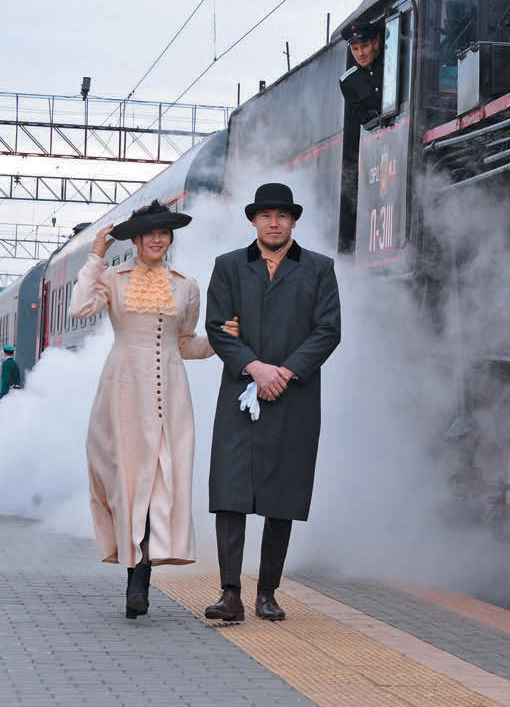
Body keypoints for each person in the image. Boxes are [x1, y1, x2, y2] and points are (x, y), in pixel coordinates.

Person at [69, 200, 240, 619]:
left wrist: (223, 339)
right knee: (128, 481)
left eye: (164, 233)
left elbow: (186, 344)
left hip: (170, 395)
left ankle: (140, 577)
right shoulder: (112, 279)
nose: (158, 240)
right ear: (137, 239)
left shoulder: (186, 286)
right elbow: (78, 308)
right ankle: (134, 570)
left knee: (160, 483)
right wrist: (95, 256)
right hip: (123, 390)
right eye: (150, 233)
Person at [203, 182, 342, 622]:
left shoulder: (319, 268)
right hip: (240, 393)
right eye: (266, 216)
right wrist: (255, 368)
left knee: (282, 494)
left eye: (282, 216)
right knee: (231, 492)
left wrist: (285, 372)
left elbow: (328, 330)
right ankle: (230, 593)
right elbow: (216, 328)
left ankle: (267, 593)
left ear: (293, 221)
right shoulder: (228, 266)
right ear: (254, 221)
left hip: (293, 395)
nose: (274, 223)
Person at [338, 20, 384, 124]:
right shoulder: (348, 82)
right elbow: (363, 118)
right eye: (355, 49)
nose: (360, 53)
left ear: (374, 43)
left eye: (364, 46)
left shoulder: (390, 64)